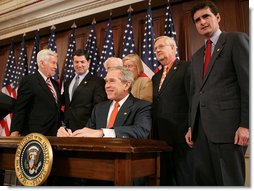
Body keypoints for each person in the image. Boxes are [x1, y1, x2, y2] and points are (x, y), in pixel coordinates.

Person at [185, 1, 249, 186]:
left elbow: (248, 85)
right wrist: (191, 126)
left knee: (228, 182)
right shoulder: (197, 56)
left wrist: (246, 125)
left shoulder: (236, 40)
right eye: (197, 20)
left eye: (206, 16)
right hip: (201, 133)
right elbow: (195, 93)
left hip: (229, 131)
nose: (202, 22)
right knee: (205, 183)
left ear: (218, 17)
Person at [64, 66, 152, 139]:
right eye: (106, 81)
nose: (107, 86)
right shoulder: (99, 108)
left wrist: (103, 132)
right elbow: (89, 132)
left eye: (112, 81)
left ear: (126, 85)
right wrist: (71, 134)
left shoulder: (141, 107)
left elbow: (141, 131)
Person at [152, 36, 192, 185]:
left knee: (184, 179)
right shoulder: (155, 77)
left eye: (161, 46)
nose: (157, 50)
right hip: (161, 137)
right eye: (155, 49)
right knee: (165, 179)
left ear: (173, 48)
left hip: (182, 135)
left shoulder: (187, 67)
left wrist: (192, 127)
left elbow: (193, 99)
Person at [10, 49, 61, 136]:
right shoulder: (30, 80)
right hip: (35, 135)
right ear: (42, 63)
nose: (55, 67)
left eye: (56, 63)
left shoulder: (55, 84)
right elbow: (20, 107)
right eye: (53, 63)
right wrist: (15, 131)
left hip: (54, 135)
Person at [57, 49, 107, 134]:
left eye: (82, 62)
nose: (79, 65)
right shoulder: (67, 82)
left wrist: (90, 128)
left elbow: (98, 107)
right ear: (73, 63)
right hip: (67, 130)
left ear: (88, 62)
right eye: (76, 62)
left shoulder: (97, 81)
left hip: (86, 129)